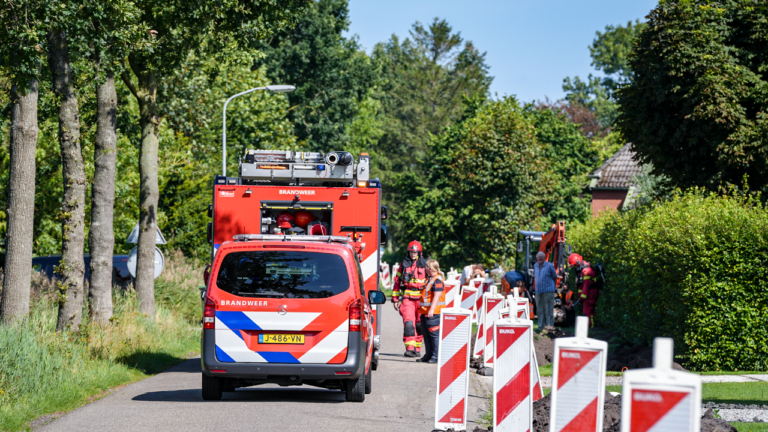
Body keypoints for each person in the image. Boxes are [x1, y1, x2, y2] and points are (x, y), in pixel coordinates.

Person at [392, 241, 428, 357]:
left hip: (421, 300)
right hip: (407, 299)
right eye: (411, 252)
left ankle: (417, 348)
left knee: (419, 325)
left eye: (415, 252)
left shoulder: (425, 265)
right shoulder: (403, 266)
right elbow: (397, 283)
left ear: (419, 252)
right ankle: (410, 348)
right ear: (408, 252)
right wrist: (395, 299)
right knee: (409, 324)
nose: (413, 254)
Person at [417, 259, 446, 364]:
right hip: (425, 312)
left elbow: (437, 296)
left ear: (430, 268)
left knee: (434, 335)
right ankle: (428, 355)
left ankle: (435, 356)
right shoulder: (429, 279)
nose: (425, 269)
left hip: (434, 313)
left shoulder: (437, 280)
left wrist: (432, 310)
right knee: (426, 335)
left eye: (427, 267)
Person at [568, 253, 599, 327]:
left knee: (589, 311)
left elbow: (586, 285)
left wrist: (581, 298)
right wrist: (579, 296)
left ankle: (591, 329)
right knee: (586, 311)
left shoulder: (585, 271)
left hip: (591, 293)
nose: (574, 267)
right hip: (589, 292)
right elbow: (581, 285)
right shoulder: (582, 269)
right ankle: (588, 329)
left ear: (578, 263)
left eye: (574, 265)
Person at [533, 251, 557, 330]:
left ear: (544, 258)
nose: (540, 258)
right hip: (538, 291)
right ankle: (540, 327)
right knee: (539, 310)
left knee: (549, 310)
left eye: (541, 257)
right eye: (539, 257)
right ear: (537, 258)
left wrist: (553, 287)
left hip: (548, 291)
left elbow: (554, 277)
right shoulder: (535, 266)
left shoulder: (549, 265)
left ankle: (550, 327)